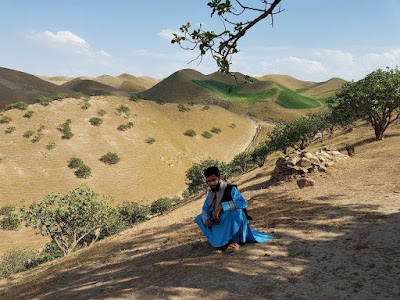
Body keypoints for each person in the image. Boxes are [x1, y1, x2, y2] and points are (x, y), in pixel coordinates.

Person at [195, 166, 273, 253]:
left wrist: (222, 207)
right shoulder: (210, 194)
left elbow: (242, 203)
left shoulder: (230, 189)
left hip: (230, 219)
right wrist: (206, 219)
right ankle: (216, 240)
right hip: (219, 221)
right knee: (199, 218)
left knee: (236, 212)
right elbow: (204, 209)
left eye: (213, 180)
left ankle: (233, 241)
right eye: (209, 181)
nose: (211, 183)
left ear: (219, 178)